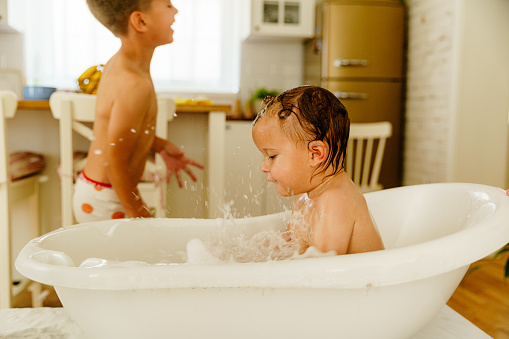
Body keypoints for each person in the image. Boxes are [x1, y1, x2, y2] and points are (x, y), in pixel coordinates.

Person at [74, 0, 203, 222]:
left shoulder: (127, 67)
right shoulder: (133, 83)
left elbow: (122, 135)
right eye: (168, 5)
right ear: (140, 21)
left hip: (103, 192)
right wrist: (141, 215)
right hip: (106, 198)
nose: (176, 11)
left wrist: (161, 146)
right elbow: (115, 164)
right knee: (138, 251)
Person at [252, 85, 385, 255]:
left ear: (315, 154)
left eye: (271, 156)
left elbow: (320, 271)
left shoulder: (335, 201)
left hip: (369, 281)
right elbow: (291, 247)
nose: (263, 167)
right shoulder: (304, 196)